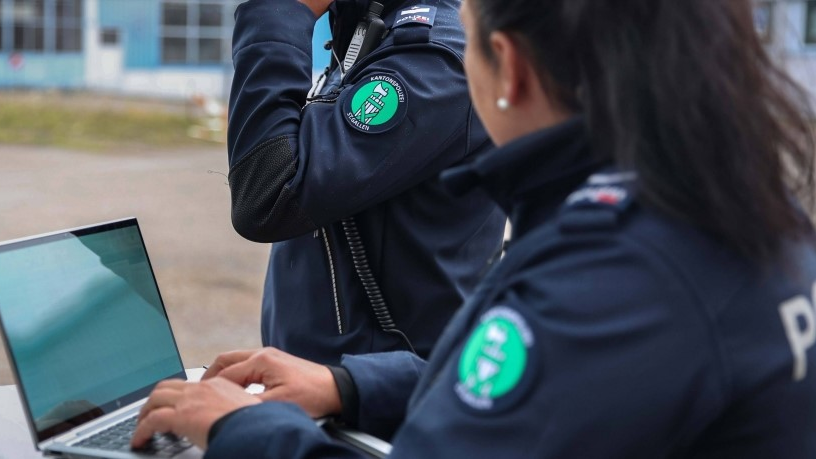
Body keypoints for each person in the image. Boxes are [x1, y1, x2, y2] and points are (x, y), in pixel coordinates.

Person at [133, 0, 816, 456]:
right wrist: (351, 386)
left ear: (508, 68)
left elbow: (555, 352)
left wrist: (241, 426)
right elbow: (565, 381)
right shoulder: (729, 211)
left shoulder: (609, 275)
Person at [226, 0, 506, 364]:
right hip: (324, 386)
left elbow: (266, 196)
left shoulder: (431, 57)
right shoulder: (375, 36)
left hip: (380, 401)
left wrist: (278, 11)